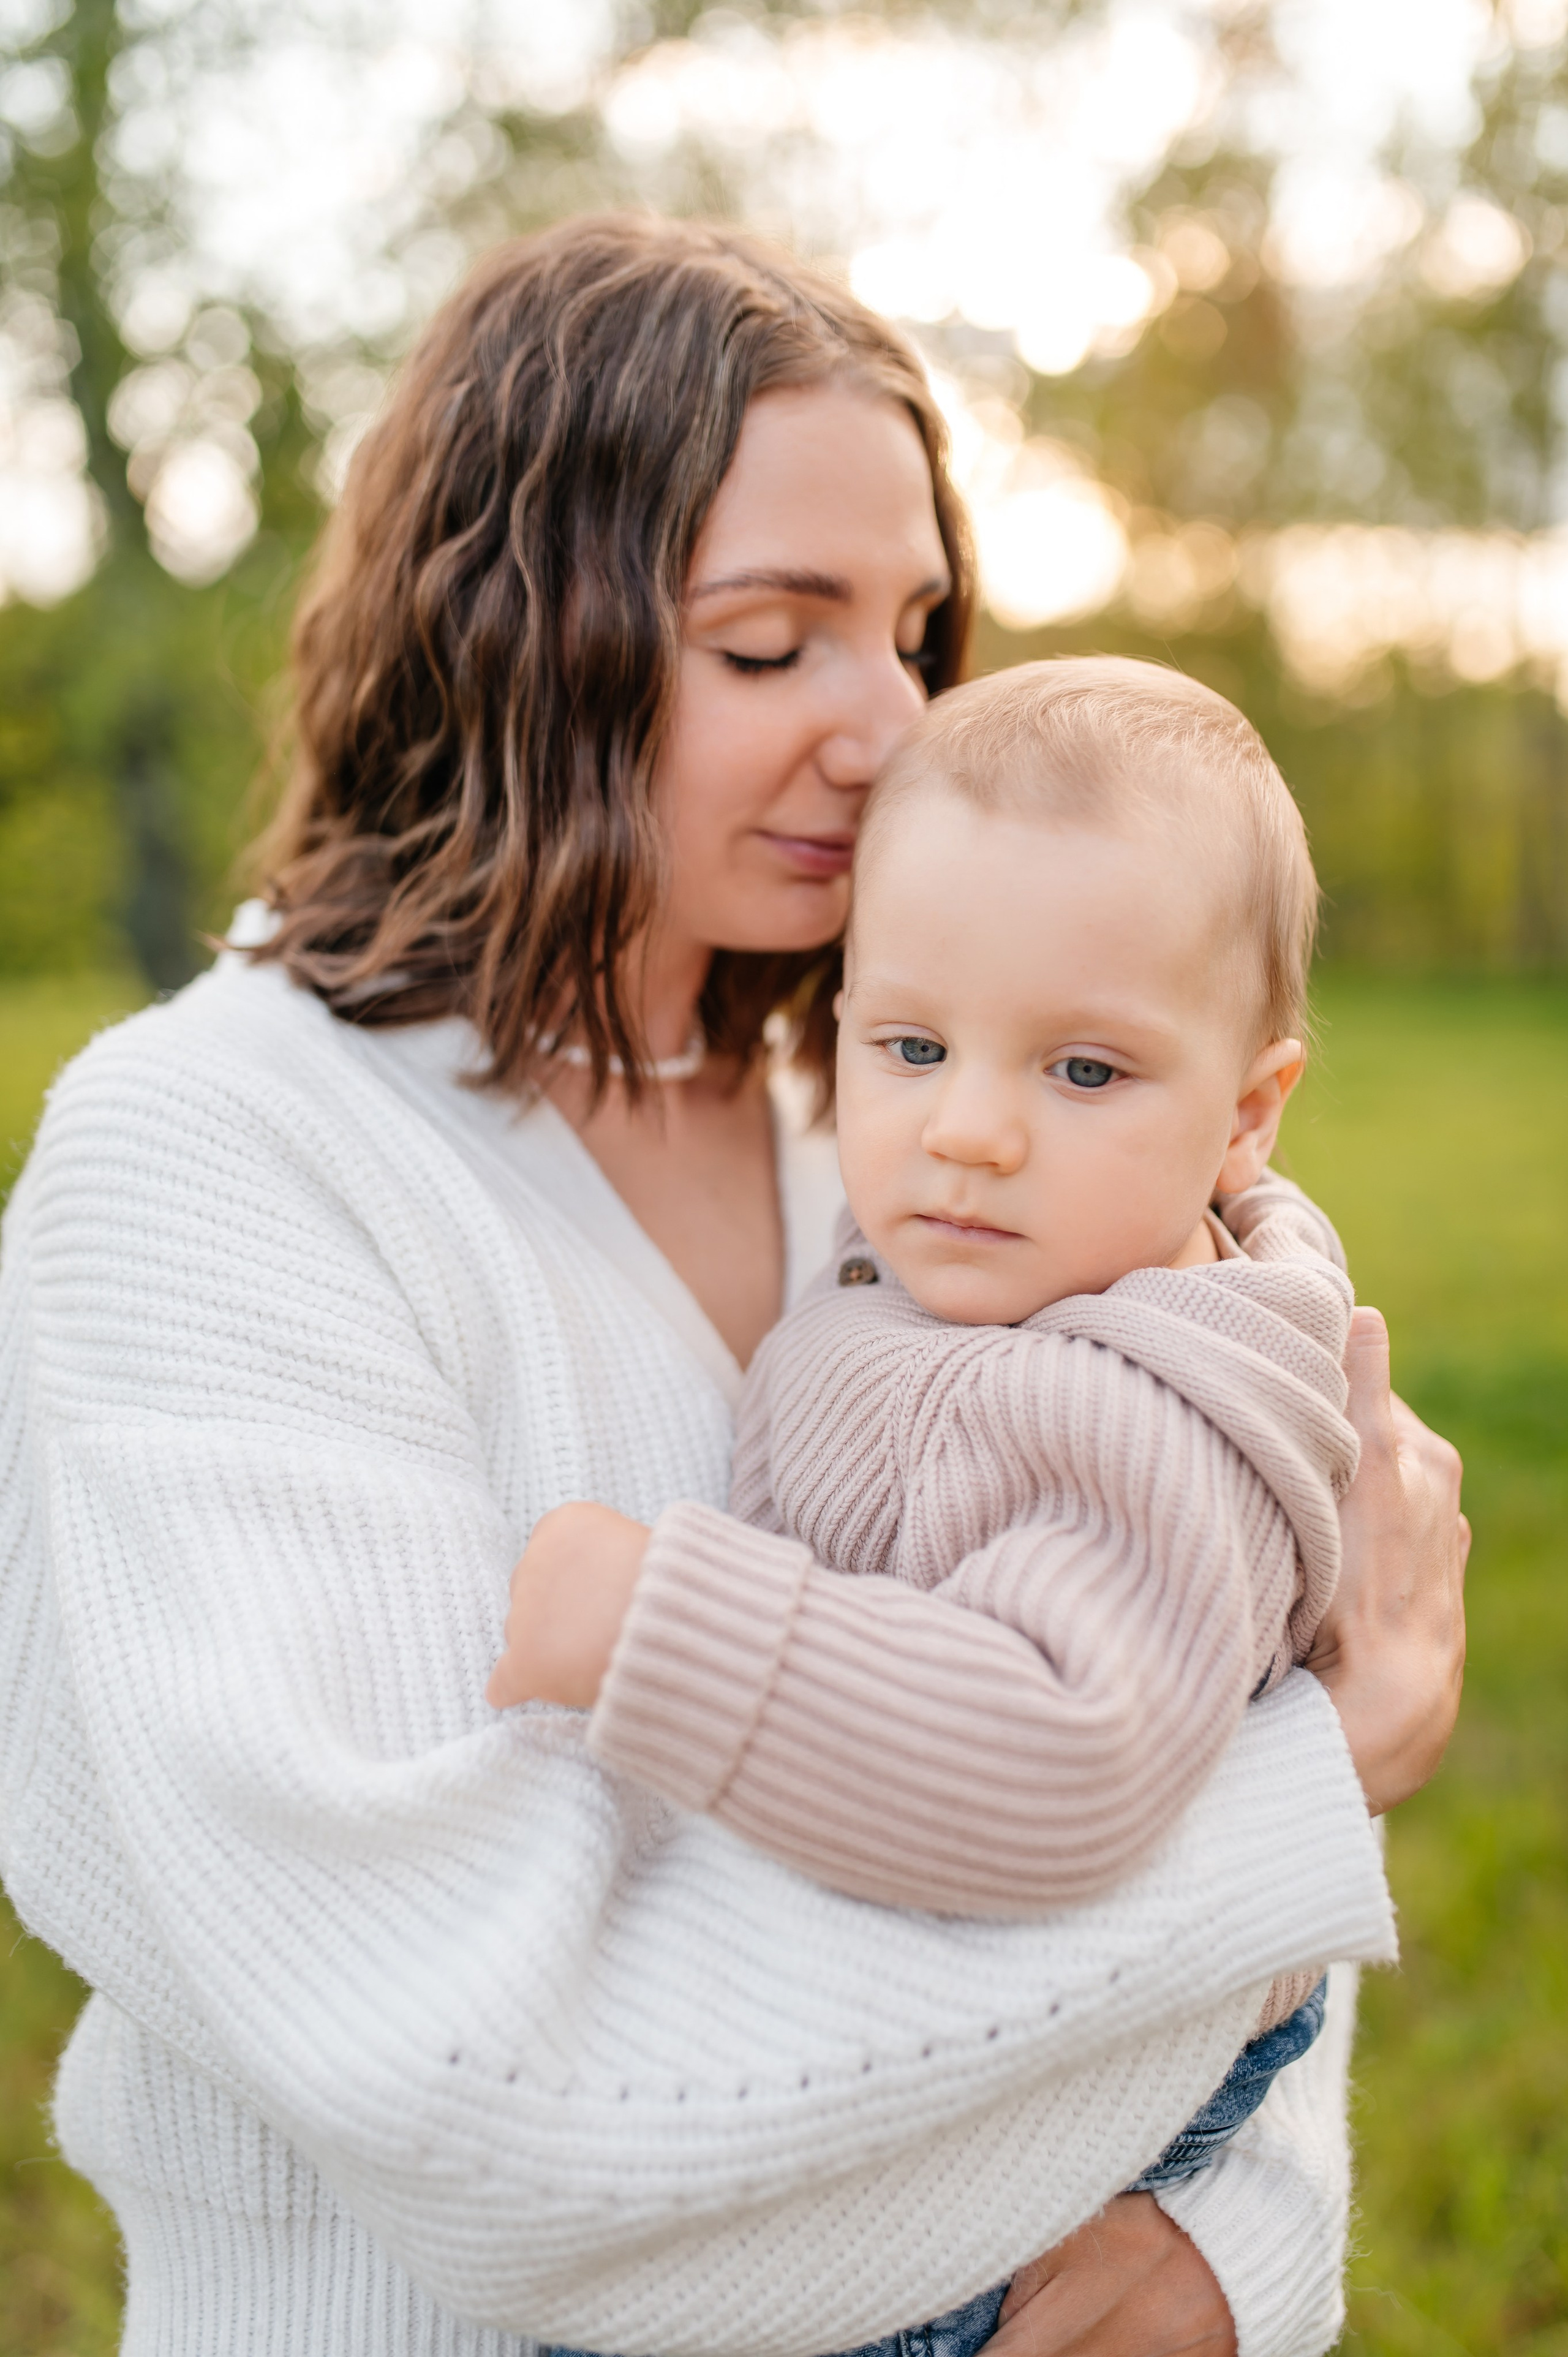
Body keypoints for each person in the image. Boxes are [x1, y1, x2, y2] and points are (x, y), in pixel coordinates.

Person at [0, 216, 1466, 2357]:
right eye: (772, 647)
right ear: (514, 646)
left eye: (914, 631)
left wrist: (1227, 2239)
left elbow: (1183, 1635)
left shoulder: (908, 1109)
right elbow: (495, 2105)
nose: (888, 732)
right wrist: (1327, 1777)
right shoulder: (212, 1164)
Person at [489, 657, 1371, 2357]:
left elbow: (1062, 1755)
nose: (967, 1133)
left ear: (1248, 1112)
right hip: (883, 2063)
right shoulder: (961, 1281)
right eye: (911, 1045)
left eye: (1087, 1074)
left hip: (991, 2185)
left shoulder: (1143, 1409)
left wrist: (655, 1625)